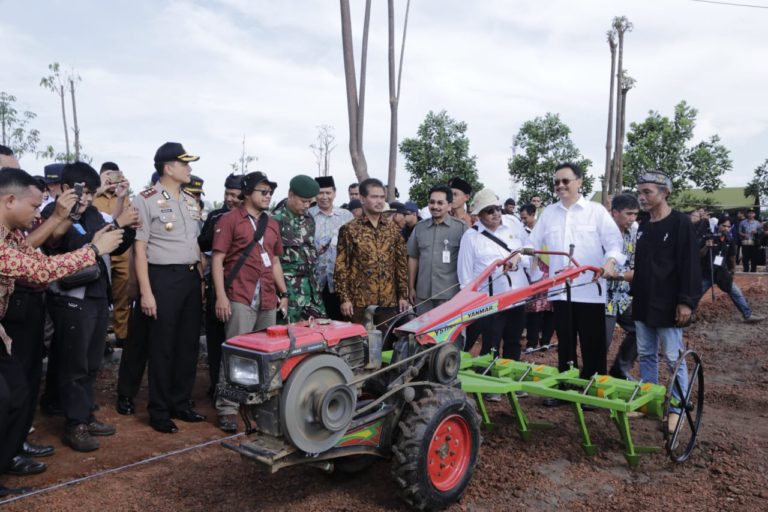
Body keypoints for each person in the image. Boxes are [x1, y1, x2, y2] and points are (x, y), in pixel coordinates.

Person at [0, 167, 123, 495]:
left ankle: (6, 459)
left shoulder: (11, 234)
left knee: (16, 394)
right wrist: (94, 250)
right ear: (10, 200)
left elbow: (30, 254)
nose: (36, 214)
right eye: (34, 206)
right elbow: (39, 270)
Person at [43, 162, 137, 452]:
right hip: (72, 297)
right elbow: (71, 247)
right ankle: (75, 425)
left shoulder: (94, 213)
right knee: (74, 364)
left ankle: (85, 415)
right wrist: (114, 228)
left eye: (90, 193)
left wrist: (127, 230)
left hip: (97, 295)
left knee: (91, 361)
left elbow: (111, 245)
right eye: (81, 192)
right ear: (66, 189)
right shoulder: (54, 214)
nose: (85, 199)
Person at [529, 163, 624, 406]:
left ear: (579, 182)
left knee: (593, 343)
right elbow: (531, 244)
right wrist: (518, 258)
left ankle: (594, 392)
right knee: (566, 342)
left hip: (590, 290)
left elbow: (614, 243)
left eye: (565, 181)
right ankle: (565, 388)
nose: (560, 186)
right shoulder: (548, 213)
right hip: (560, 292)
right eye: (556, 182)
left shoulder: (596, 212)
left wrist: (610, 263)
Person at [132, 142, 206, 434]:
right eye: (185, 164)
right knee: (162, 347)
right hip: (162, 278)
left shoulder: (190, 200)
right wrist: (146, 292)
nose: (190, 169)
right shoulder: (145, 199)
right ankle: (159, 410)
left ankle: (181, 403)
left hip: (189, 277)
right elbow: (140, 249)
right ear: (168, 168)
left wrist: (199, 279)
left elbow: (195, 245)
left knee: (187, 344)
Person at [212, 171, 288, 432]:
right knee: (235, 352)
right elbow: (217, 259)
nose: (268, 196)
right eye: (262, 192)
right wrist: (221, 296)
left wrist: (284, 293)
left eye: (270, 192)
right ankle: (227, 408)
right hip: (240, 295)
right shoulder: (229, 220)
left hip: (267, 296)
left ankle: (258, 405)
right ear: (247, 193)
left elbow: (275, 261)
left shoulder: (273, 223)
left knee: (266, 355)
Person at [632, 170, 701, 433]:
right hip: (644, 302)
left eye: (647, 192)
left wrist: (686, 302)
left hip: (668, 303)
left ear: (665, 192)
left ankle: (678, 407)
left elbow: (690, 265)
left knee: (673, 358)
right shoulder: (645, 226)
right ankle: (649, 402)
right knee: (647, 355)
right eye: (640, 192)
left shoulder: (680, 223)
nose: (642, 197)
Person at [458, 189, 529, 364]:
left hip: (517, 296)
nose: (496, 213)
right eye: (489, 210)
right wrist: (470, 303)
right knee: (491, 344)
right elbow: (465, 275)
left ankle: (511, 381)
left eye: (498, 208)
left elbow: (530, 252)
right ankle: (489, 382)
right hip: (491, 301)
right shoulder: (471, 237)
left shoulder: (513, 225)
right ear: (480, 214)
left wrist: (518, 256)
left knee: (514, 341)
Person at [335, 178, 409, 328]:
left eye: (382, 197)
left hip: (388, 301)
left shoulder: (392, 229)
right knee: (360, 346)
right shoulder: (350, 229)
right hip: (359, 302)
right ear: (363, 199)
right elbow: (341, 266)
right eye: (374, 197)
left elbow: (400, 264)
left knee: (385, 346)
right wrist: (344, 298)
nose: (379, 201)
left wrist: (403, 295)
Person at [197, 173, 243, 397]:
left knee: (239, 342)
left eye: (235, 195)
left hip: (241, 289)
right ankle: (216, 385)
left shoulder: (254, 220)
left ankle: (239, 389)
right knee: (216, 340)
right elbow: (203, 244)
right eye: (227, 194)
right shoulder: (215, 216)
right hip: (217, 285)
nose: (230, 199)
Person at [272, 175, 326, 323]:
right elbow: (272, 261)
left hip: (312, 292)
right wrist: (282, 294)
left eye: (310, 201)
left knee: (318, 335)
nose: (307, 205)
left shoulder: (309, 220)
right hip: (289, 293)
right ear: (290, 195)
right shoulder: (275, 221)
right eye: (303, 201)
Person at [92, 161, 133, 349]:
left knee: (122, 297)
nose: (111, 178)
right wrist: (98, 188)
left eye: (115, 174)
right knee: (101, 297)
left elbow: (125, 222)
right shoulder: (93, 196)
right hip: (100, 253)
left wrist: (122, 195)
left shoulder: (123, 197)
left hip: (121, 253)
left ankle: (122, 336)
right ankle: (100, 339)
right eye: (108, 174)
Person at [407, 185, 466, 314]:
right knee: (424, 332)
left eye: (440, 203)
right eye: (432, 202)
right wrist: (411, 287)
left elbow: (467, 261)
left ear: (449, 206)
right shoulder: (420, 228)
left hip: (450, 294)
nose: (435, 206)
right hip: (423, 295)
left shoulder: (461, 228)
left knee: (448, 333)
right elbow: (413, 257)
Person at [603, 194, 639, 380]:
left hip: (623, 295)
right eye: (629, 214)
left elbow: (633, 265)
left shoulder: (633, 233)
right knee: (602, 343)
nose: (632, 219)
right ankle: (593, 381)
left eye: (635, 214)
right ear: (615, 213)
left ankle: (620, 368)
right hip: (602, 297)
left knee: (640, 328)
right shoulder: (601, 232)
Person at [701, 217, 764, 323]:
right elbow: (699, 254)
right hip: (707, 272)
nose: (726, 228)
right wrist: (707, 246)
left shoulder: (730, 240)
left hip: (722, 272)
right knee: (695, 294)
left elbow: (732, 256)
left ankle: (747, 315)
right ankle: (686, 316)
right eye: (723, 225)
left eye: (728, 226)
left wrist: (732, 269)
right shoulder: (709, 237)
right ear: (718, 226)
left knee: (736, 292)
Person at [309, 176, 353, 321]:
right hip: (315, 279)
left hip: (339, 279)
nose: (324, 197)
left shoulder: (346, 216)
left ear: (334, 193)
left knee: (340, 320)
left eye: (328, 193)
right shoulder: (308, 215)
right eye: (321, 193)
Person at [519, 203, 554, 352]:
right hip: (534, 271)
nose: (523, 221)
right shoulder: (523, 232)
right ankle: (532, 343)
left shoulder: (547, 228)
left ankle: (545, 340)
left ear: (534, 214)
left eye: (525, 217)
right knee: (534, 307)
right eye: (521, 218)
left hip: (551, 270)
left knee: (551, 307)